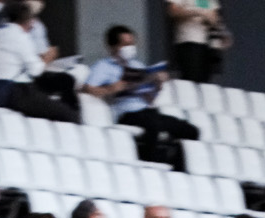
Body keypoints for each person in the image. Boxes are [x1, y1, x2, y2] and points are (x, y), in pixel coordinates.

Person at [84, 24, 199, 168]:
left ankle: (177, 165)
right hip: (127, 113)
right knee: (154, 125)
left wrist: (157, 85)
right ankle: (149, 162)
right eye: (125, 44)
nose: (130, 47)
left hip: (147, 111)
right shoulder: (104, 66)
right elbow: (87, 89)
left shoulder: (137, 66)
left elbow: (149, 98)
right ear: (112, 47)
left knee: (190, 130)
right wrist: (112, 88)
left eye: (132, 43)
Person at [0, 1, 77, 123]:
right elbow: (35, 71)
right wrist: (47, 57)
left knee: (60, 84)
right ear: (28, 20)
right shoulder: (20, 36)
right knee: (68, 115)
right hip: (15, 92)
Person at [166, 0, 227, 83]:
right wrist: (196, 11)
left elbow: (214, 17)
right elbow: (173, 11)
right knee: (192, 79)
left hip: (207, 45)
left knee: (205, 82)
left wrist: (209, 17)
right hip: (188, 41)